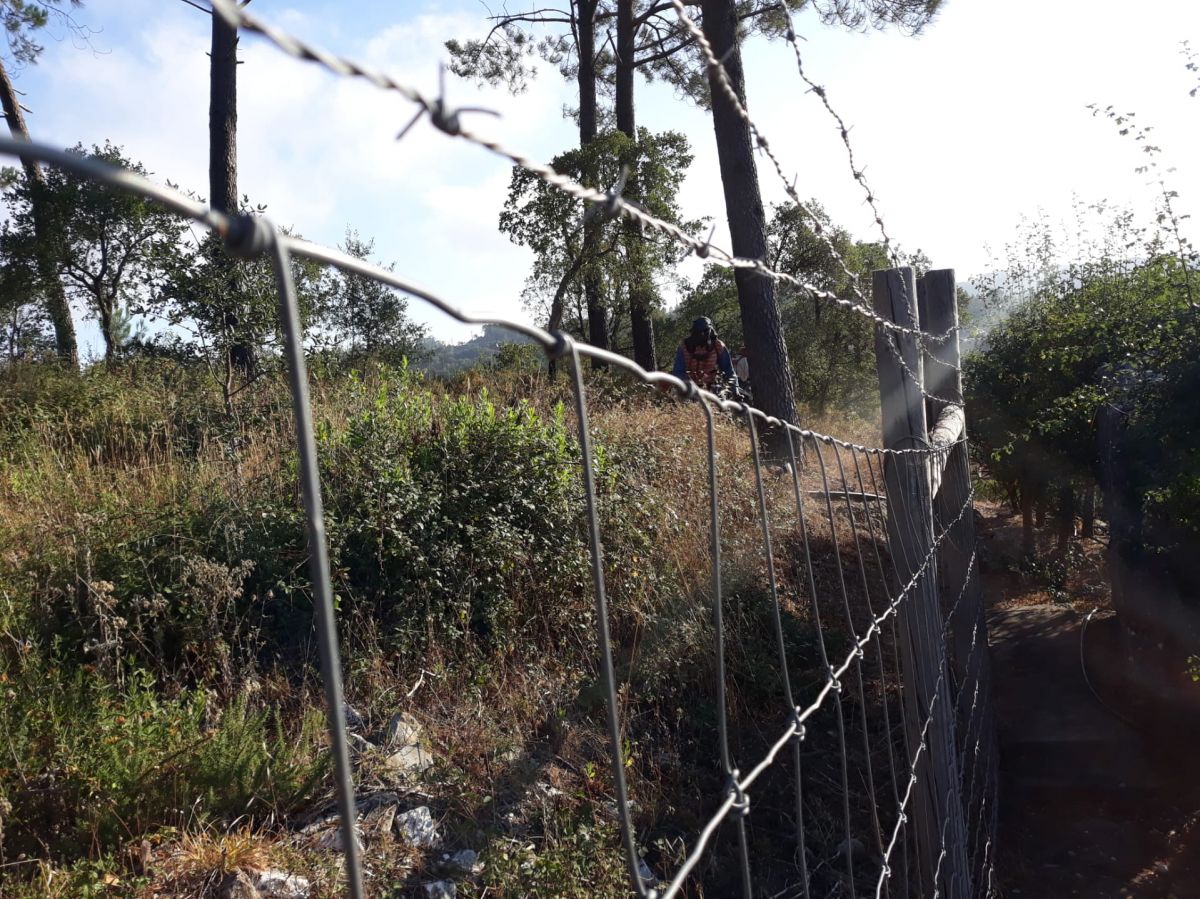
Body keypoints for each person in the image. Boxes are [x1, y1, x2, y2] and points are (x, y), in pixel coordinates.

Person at [672, 317, 740, 396]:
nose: (702, 334)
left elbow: (728, 371)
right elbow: (678, 372)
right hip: (690, 389)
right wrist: (688, 387)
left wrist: (734, 390)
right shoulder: (684, 348)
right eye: (699, 332)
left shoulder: (718, 346)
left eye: (705, 331)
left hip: (714, 389)